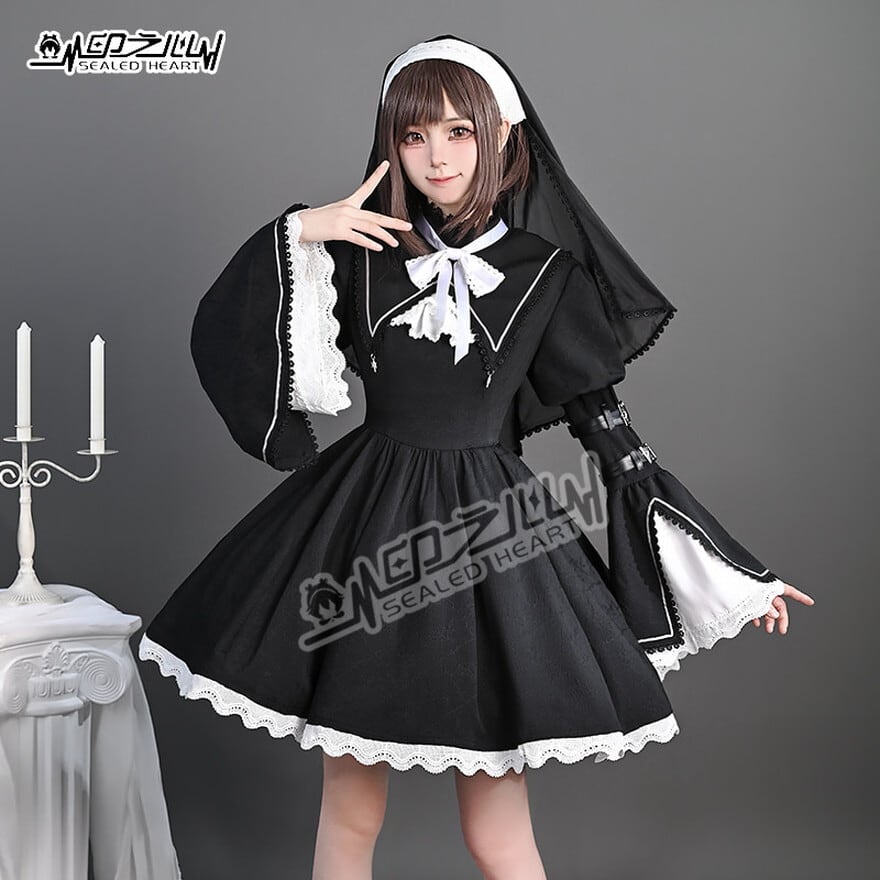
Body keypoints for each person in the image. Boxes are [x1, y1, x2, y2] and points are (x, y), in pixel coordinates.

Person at [138, 34, 815, 880]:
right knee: (350, 814)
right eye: (414, 135)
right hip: (363, 524)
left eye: (459, 132)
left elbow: (612, 437)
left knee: (495, 833)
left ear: (501, 135)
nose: (437, 156)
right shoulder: (360, 254)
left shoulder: (547, 274)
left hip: (492, 545)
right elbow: (232, 331)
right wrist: (302, 231)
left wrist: (735, 575)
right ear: (392, 145)